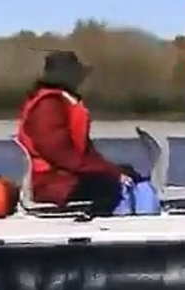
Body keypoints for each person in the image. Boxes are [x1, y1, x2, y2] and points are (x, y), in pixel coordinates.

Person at [16, 51, 136, 216]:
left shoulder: (60, 101)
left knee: (126, 172)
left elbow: (84, 153)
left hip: (64, 176)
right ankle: (102, 227)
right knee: (109, 185)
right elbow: (61, 154)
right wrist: (111, 173)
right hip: (51, 183)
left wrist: (114, 169)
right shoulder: (48, 105)